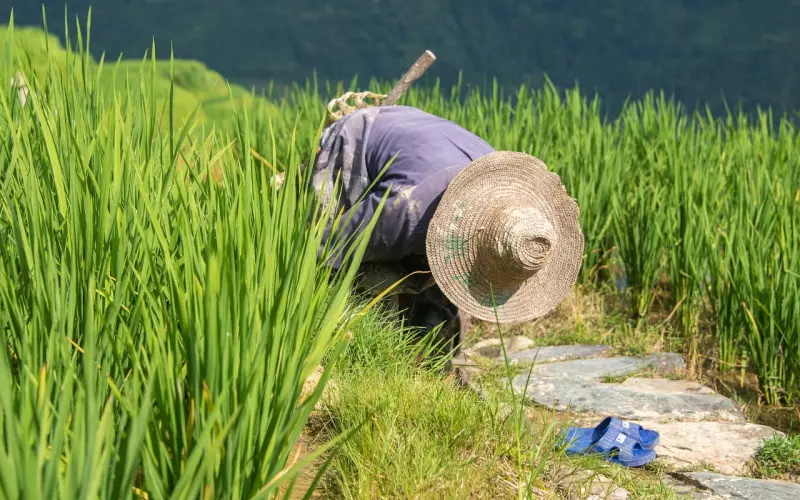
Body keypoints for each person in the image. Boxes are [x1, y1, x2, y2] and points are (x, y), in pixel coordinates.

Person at [309, 103, 584, 355]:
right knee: (362, 271)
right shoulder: (406, 211)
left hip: (425, 143)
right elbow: (326, 246)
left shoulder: (504, 191)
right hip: (360, 138)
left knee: (439, 300)